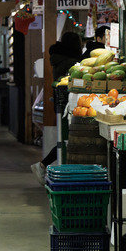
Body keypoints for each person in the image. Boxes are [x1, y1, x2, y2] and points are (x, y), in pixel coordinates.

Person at [30, 31, 82, 185]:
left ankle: (43, 165)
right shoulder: (71, 62)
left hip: (61, 104)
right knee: (67, 139)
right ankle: (43, 165)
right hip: (69, 104)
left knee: (63, 138)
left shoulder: (59, 59)